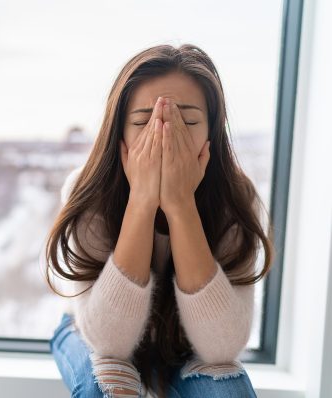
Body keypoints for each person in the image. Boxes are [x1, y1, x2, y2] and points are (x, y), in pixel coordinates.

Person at [43, 43, 275, 398]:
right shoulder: (88, 190)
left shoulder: (237, 197)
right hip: (89, 329)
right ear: (118, 133)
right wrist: (143, 200)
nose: (165, 135)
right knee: (107, 383)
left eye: (188, 122)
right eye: (142, 122)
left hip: (186, 345)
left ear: (213, 131)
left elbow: (221, 348)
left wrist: (181, 204)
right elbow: (109, 343)